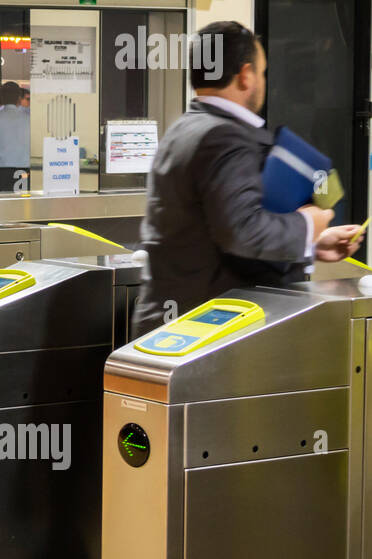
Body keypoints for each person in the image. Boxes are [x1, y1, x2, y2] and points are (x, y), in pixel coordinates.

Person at [132, 21, 363, 337]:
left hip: (172, 322)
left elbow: (214, 230)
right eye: (263, 72)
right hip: (209, 330)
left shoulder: (184, 129)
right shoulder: (224, 137)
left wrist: (311, 244)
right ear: (245, 75)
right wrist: (309, 223)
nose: (263, 82)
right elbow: (241, 232)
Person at [0, 80, 30, 192]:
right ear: (19, 98)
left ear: (2, 98)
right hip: (23, 172)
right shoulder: (28, 120)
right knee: (22, 205)